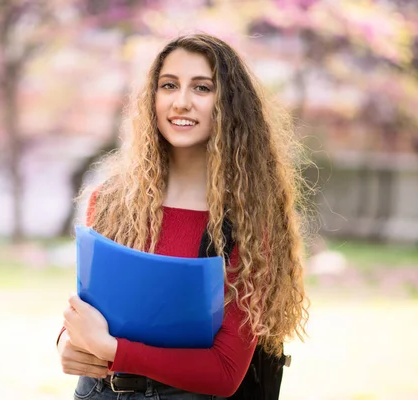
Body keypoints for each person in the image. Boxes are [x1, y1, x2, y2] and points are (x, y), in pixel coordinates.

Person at [57, 33, 309, 399]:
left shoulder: (249, 223)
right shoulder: (111, 199)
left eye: (202, 88)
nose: (181, 102)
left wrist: (112, 350)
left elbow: (225, 373)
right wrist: (67, 342)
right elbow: (89, 304)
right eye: (169, 85)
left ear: (229, 104)